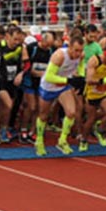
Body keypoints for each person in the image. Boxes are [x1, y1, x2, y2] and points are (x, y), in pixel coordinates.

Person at [35, 27, 86, 156]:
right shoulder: (59, 56)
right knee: (43, 115)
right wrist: (68, 80)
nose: (78, 54)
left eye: (80, 50)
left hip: (63, 86)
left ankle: (62, 140)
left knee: (71, 112)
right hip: (49, 86)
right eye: (76, 50)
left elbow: (80, 68)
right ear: (69, 47)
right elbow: (49, 76)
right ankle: (39, 141)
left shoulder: (81, 56)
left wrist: (80, 78)